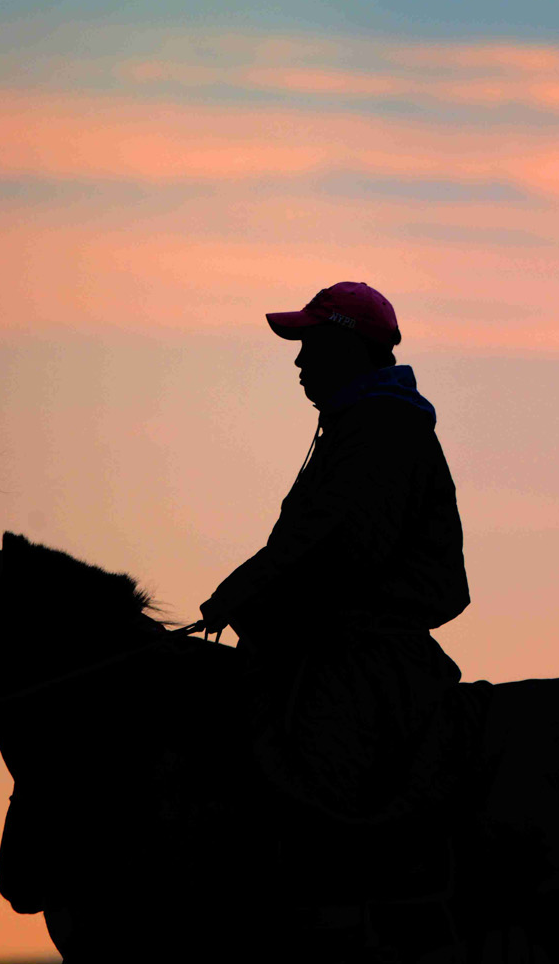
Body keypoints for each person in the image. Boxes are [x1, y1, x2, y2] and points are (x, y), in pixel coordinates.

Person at [185, 282, 472, 824]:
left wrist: (245, 592)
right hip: (345, 639)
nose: (297, 361)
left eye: (310, 345)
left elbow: (338, 548)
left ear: (346, 349)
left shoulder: (382, 427)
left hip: (365, 650)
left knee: (310, 789)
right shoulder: (362, 425)